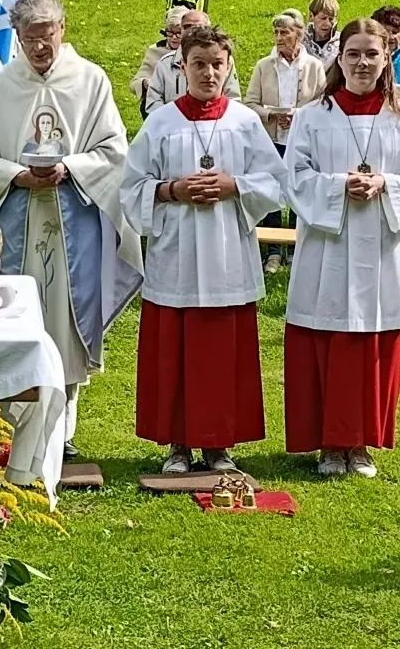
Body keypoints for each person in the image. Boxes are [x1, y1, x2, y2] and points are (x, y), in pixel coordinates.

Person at [0, 0, 143, 458]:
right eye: (30, 38)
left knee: (65, 325)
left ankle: (64, 431)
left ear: (63, 29)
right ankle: (7, 428)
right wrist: (15, 175)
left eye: (48, 36)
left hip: (71, 221)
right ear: (17, 37)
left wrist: (70, 168)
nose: (40, 48)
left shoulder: (90, 81)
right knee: (10, 321)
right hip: (14, 222)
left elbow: (115, 152)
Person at [283, 19, 400, 477]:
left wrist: (386, 184)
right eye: (353, 53)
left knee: (374, 343)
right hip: (329, 247)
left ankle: (362, 444)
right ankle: (330, 445)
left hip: (382, 247)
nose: (362, 63)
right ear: (340, 58)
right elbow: (295, 176)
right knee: (327, 340)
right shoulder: (315, 115)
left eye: (371, 54)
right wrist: (339, 186)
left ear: (386, 58)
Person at [122, 25, 284, 474]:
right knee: (175, 349)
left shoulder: (245, 122)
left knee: (221, 355)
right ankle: (178, 445)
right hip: (177, 254)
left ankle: (219, 446)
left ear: (229, 66)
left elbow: (276, 183)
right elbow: (130, 187)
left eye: (217, 64)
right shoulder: (161, 122)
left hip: (228, 252)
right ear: (182, 66)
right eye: (199, 64)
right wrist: (173, 190)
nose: (209, 73)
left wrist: (236, 186)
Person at [242, 9, 327, 273]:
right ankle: (274, 252)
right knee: (272, 194)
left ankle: (297, 247)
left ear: (299, 34)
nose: (279, 37)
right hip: (272, 140)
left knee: (300, 191)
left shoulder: (314, 66)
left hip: (302, 141)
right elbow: (250, 103)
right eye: (276, 32)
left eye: (285, 32)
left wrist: (297, 115)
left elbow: (323, 103)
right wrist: (271, 115)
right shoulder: (264, 66)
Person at [141, 10, 242, 117]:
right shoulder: (165, 63)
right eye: (187, 27)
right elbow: (153, 102)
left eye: (199, 27)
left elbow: (233, 98)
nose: (192, 31)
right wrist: (171, 120)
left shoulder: (224, 61)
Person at [131, 7, 211, 108]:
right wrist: (145, 83)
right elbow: (135, 83)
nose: (173, 37)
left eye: (178, 33)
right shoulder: (156, 51)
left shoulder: (206, 54)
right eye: (170, 32)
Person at [302, 0, 340, 64]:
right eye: (323, 18)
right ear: (311, 16)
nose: (327, 23)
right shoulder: (301, 42)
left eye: (331, 19)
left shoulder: (341, 42)